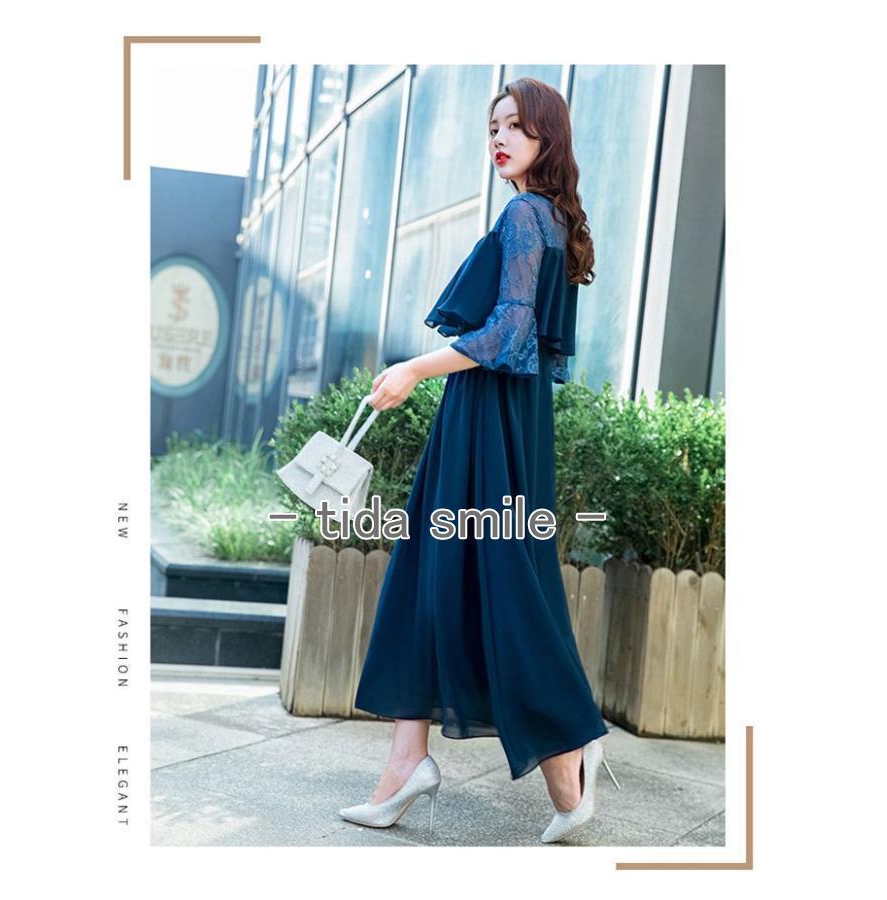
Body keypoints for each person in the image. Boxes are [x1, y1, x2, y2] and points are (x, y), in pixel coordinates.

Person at [338, 77, 621, 844]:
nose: (498, 138)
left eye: (515, 126)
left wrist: (411, 369)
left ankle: (567, 755)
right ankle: (408, 762)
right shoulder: (549, 217)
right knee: (442, 578)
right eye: (493, 126)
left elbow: (505, 335)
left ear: (546, 136)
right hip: (502, 420)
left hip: (489, 421)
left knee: (499, 586)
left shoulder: (527, 214)